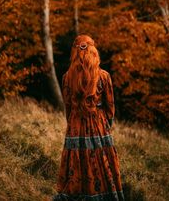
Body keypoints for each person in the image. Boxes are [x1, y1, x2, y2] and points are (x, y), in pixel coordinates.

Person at [53, 34, 125, 201]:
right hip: (98, 123)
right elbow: (110, 106)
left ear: (74, 53)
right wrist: (106, 123)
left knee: (77, 162)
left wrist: (72, 124)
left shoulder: (66, 78)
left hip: (75, 125)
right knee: (101, 160)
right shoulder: (104, 76)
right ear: (94, 51)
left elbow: (68, 108)